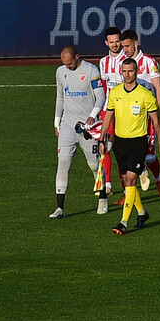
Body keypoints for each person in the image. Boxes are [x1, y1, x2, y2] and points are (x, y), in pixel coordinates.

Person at [99, 58, 160, 235]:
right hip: (120, 144)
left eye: (130, 71)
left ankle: (123, 222)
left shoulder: (145, 95)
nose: (127, 74)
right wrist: (101, 139)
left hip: (138, 143)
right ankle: (142, 213)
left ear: (136, 72)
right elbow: (108, 117)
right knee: (127, 184)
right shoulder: (114, 93)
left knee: (130, 181)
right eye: (124, 71)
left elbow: (155, 121)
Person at [50, 45, 107, 219]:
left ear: (77, 57)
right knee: (63, 162)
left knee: (94, 164)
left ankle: (103, 197)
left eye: (70, 63)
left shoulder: (91, 70)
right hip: (68, 124)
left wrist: (92, 117)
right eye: (65, 64)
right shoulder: (60, 72)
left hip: (87, 127)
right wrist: (57, 121)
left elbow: (101, 96)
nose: (67, 67)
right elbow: (60, 96)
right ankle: (60, 208)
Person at [119, 30, 160, 198]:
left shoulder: (149, 62)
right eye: (123, 46)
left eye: (127, 46)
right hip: (130, 117)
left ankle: (158, 178)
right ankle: (136, 177)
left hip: (147, 116)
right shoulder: (124, 63)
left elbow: (158, 88)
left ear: (136, 43)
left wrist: (157, 112)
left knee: (150, 156)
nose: (124, 49)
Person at [97, 26, 125, 196]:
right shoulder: (103, 62)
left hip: (125, 112)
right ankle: (107, 183)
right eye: (111, 42)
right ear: (106, 43)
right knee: (105, 146)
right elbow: (105, 87)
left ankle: (129, 184)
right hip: (108, 110)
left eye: (117, 41)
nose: (115, 45)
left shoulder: (128, 61)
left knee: (122, 149)